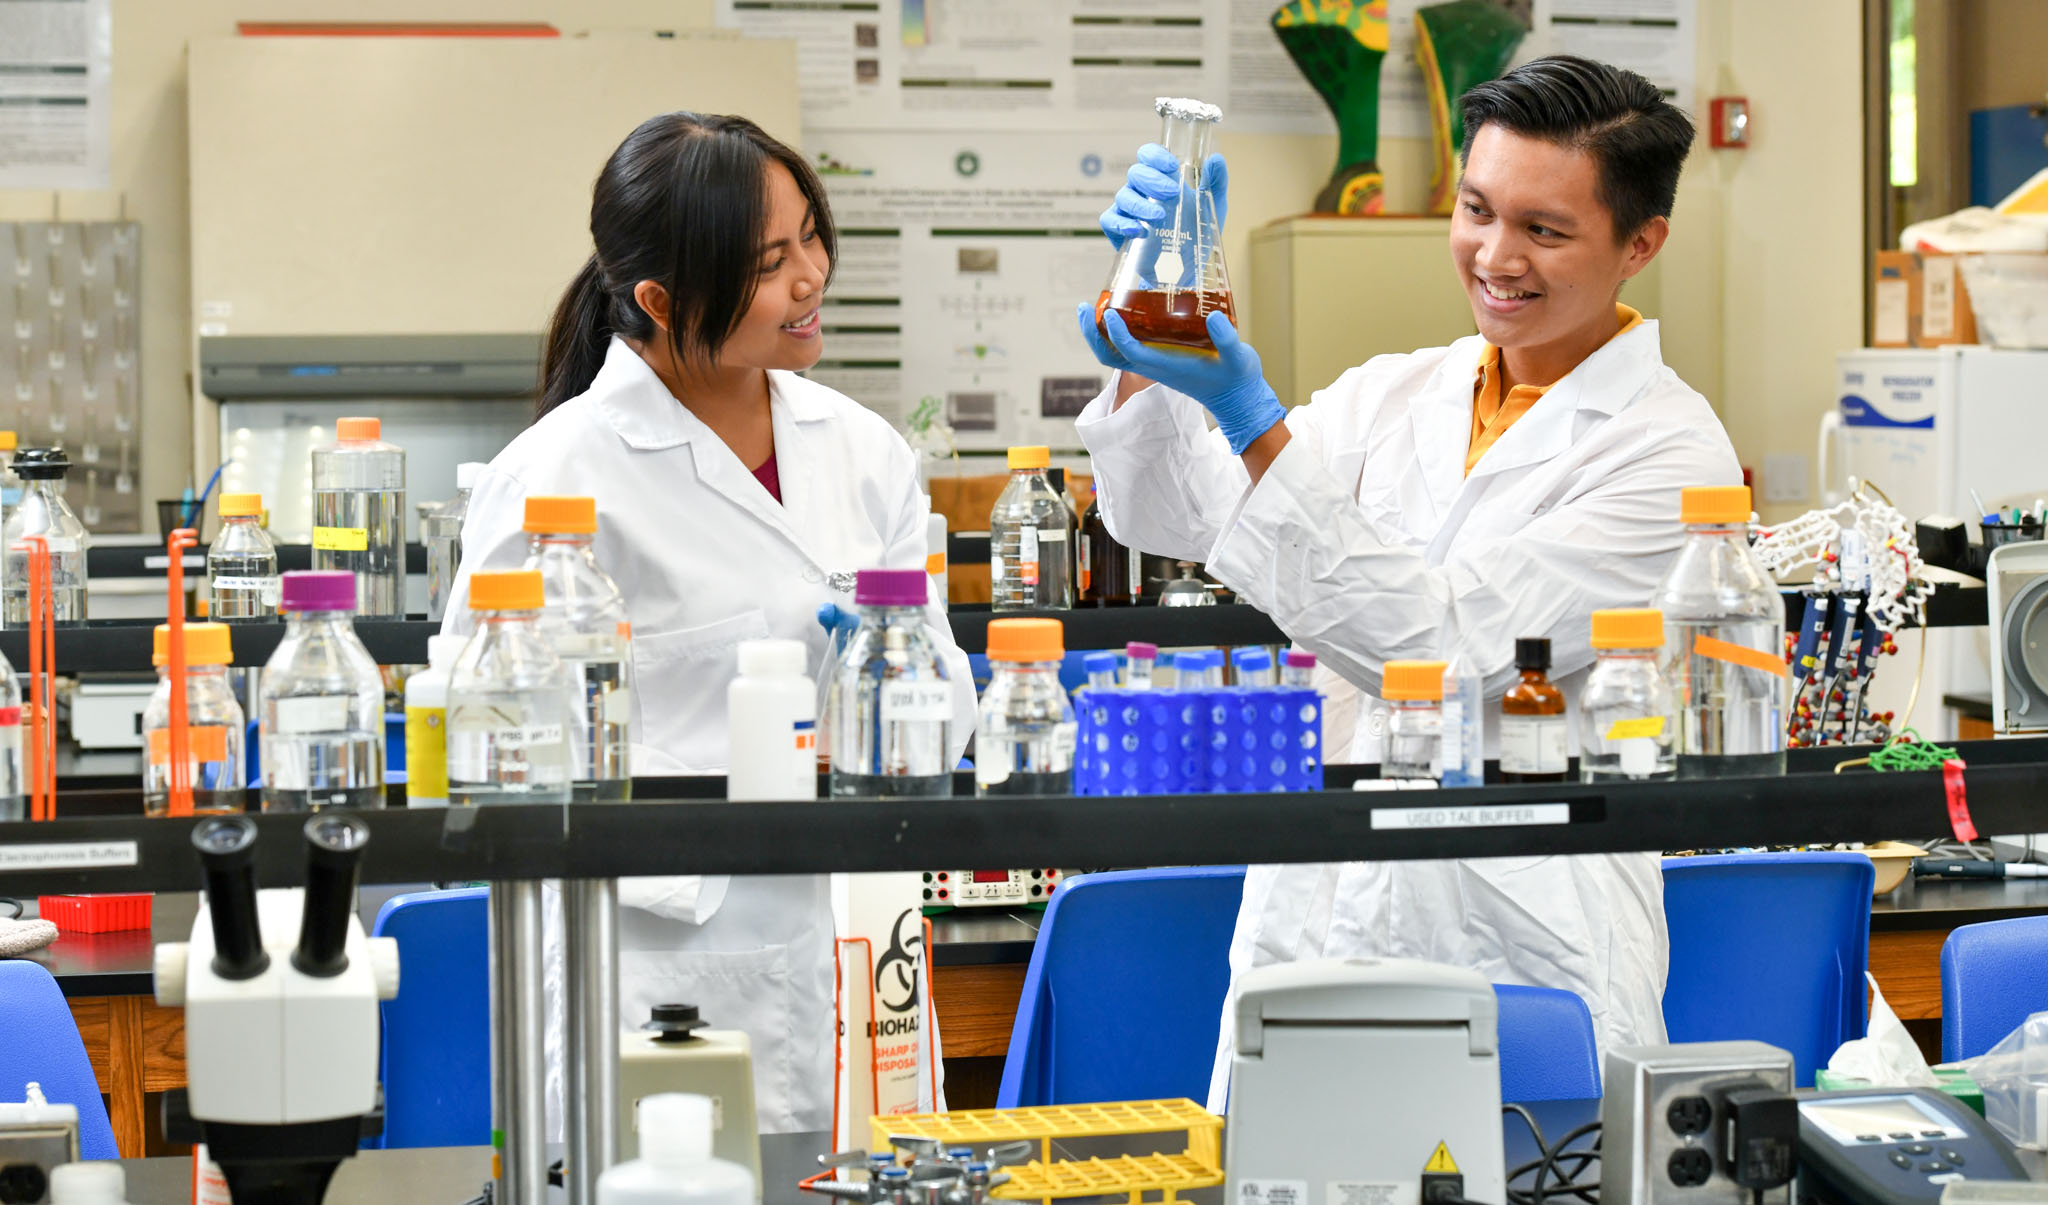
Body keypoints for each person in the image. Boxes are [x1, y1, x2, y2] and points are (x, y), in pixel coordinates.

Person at [1074, 56, 1740, 1104]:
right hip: (1322, 914)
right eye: (1474, 210)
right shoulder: (1395, 394)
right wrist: (1147, 351)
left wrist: (1255, 421)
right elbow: (1166, 513)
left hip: (1521, 944)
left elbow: (1436, 647)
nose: (1493, 255)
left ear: (1639, 244)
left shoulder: (1665, 454)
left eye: (1543, 230)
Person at [443, 111, 974, 1133]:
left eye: (810, 236)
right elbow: (499, 742)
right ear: (659, 299)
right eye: (768, 261)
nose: (809, 276)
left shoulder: (863, 455)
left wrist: (888, 678)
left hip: (865, 951)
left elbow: (945, 707)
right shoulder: (553, 480)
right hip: (665, 966)